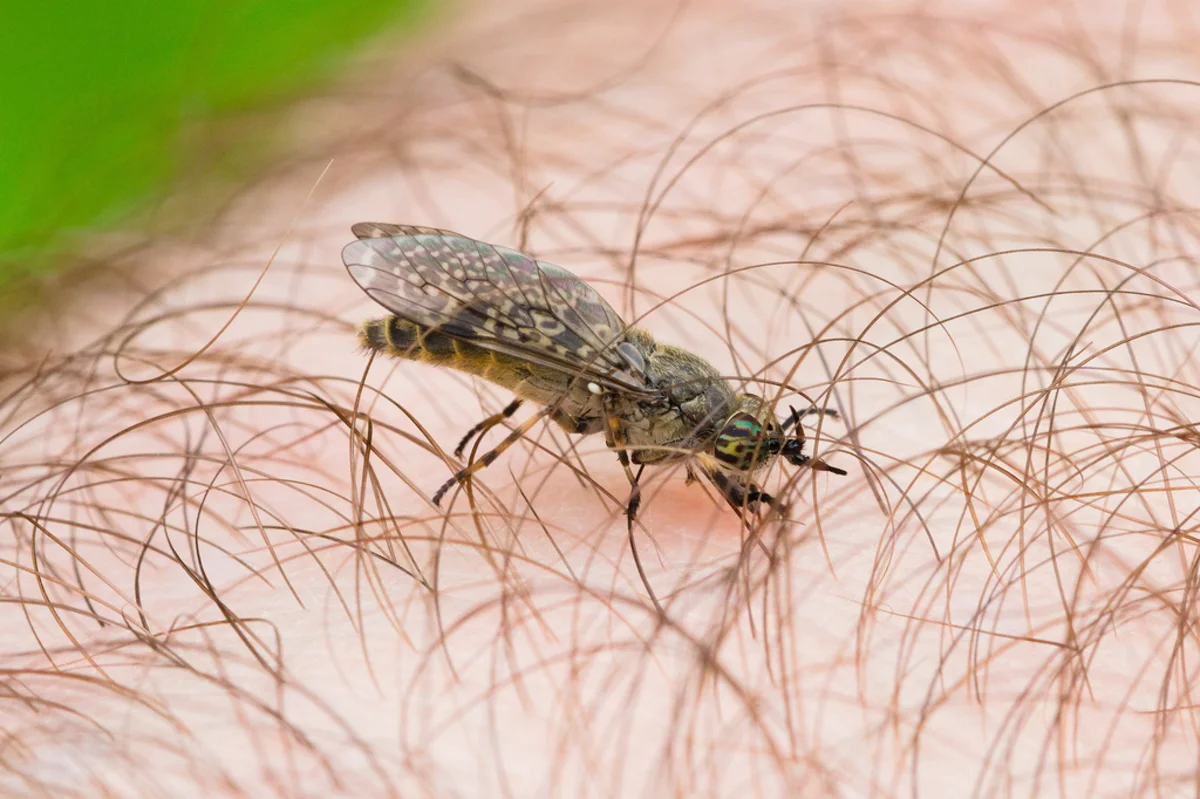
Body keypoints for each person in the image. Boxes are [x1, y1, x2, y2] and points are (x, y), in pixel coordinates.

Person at [2, 0, 1197, 795]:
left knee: (547, 398)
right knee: (523, 394)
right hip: (545, 352)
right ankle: (467, 434)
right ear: (707, 431)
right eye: (742, 450)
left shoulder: (709, 417)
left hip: (568, 346)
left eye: (748, 451)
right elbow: (605, 421)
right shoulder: (652, 414)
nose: (744, 457)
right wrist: (637, 490)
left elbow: (703, 440)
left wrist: (749, 476)